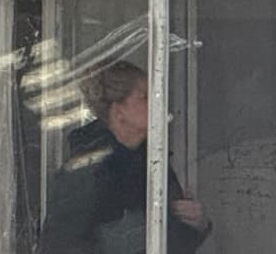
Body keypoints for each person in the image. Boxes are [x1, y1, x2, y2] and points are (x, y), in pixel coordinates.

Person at [38, 60, 211, 254]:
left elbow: (172, 243)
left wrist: (198, 224)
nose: (158, 103)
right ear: (119, 112)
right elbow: (58, 244)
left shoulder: (152, 160)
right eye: (145, 97)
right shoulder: (87, 170)